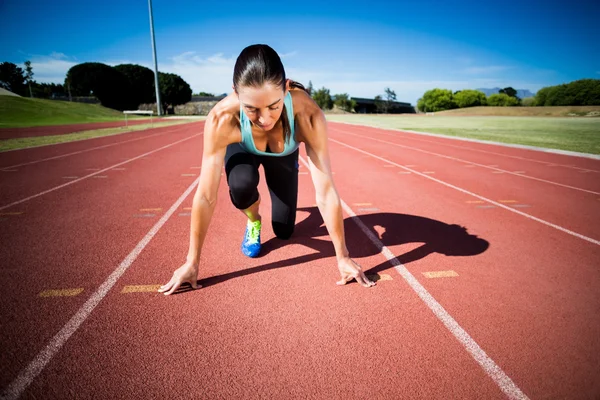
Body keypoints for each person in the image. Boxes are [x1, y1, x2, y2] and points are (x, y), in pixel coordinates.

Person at [159, 44, 375, 295]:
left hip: (283, 154)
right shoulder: (222, 119)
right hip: (242, 149)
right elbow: (206, 195)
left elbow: (326, 192)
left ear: (286, 89)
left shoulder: (308, 115)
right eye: (251, 109)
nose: (264, 119)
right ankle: (253, 220)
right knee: (241, 185)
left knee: (284, 230)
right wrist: (191, 262)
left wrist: (343, 257)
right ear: (236, 94)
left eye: (274, 106)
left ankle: (283, 185)